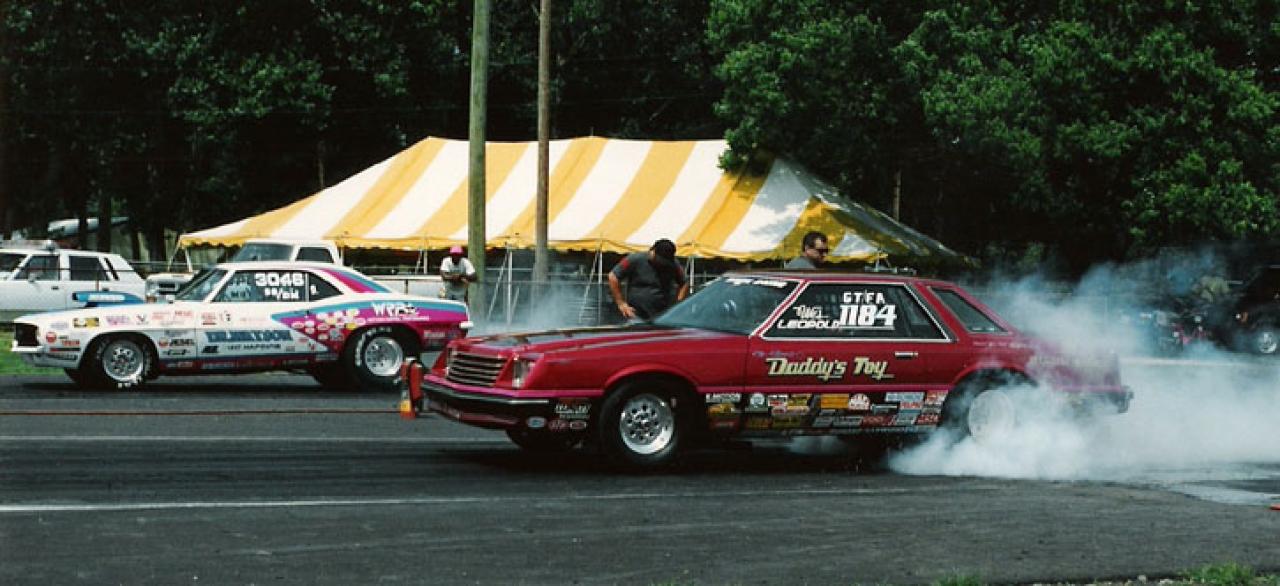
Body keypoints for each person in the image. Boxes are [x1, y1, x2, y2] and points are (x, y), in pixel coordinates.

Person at [608, 238, 689, 321]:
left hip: (662, 315)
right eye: (659, 260)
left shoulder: (673, 264)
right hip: (635, 315)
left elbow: (684, 283)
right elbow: (613, 276)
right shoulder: (635, 259)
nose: (661, 264)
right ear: (653, 251)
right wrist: (621, 304)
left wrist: (678, 305)